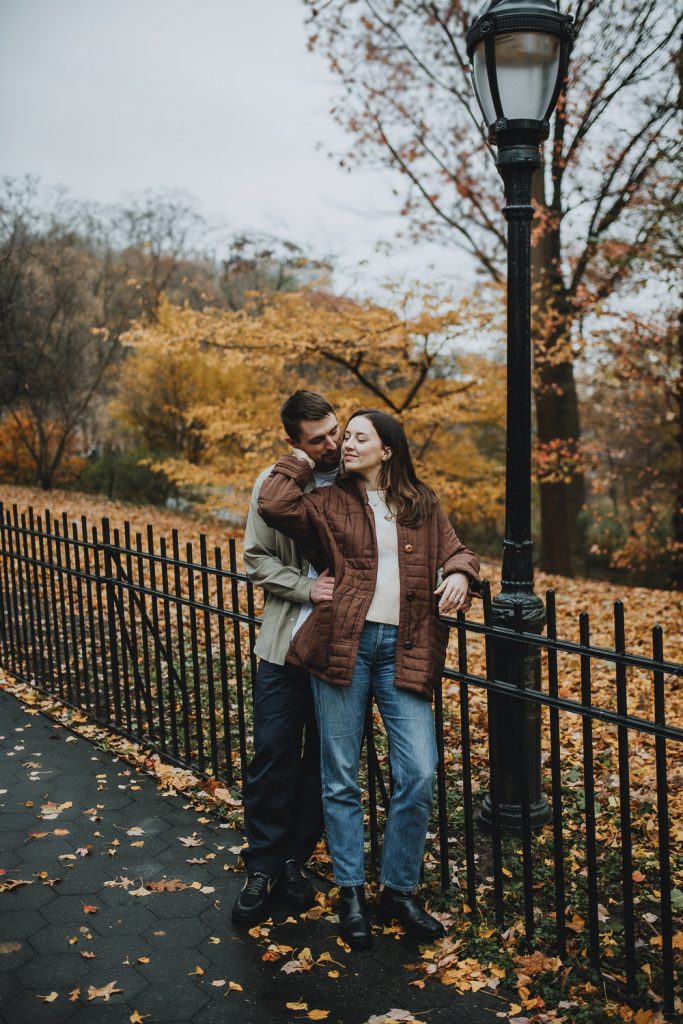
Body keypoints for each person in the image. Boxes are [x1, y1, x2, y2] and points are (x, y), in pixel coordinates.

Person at [257, 409, 481, 950]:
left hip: (403, 650)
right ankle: (351, 891)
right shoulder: (328, 500)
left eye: (359, 437)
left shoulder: (422, 503)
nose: (345, 445)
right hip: (344, 649)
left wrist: (458, 573)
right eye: (343, 436)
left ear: (388, 450)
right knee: (340, 778)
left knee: (419, 772)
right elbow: (274, 503)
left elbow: (459, 551)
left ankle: (398, 891)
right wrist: (302, 457)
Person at [231, 391, 341, 926]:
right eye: (317, 439)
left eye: (334, 431)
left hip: (342, 648)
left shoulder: (357, 476)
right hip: (283, 643)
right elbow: (255, 557)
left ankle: (296, 859)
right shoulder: (271, 485)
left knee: (323, 759)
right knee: (273, 752)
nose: (331, 444)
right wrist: (305, 587)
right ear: (294, 442)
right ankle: (263, 866)